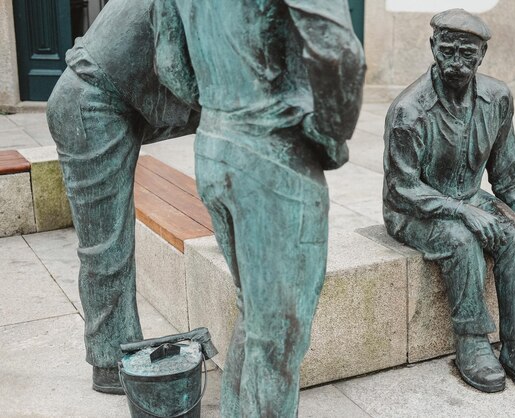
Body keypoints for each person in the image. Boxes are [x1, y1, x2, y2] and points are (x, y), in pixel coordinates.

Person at [153, 0, 366, 416]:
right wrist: (327, 133)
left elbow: (169, 65)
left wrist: (223, 112)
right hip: (273, 159)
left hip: (214, 148)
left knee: (254, 318)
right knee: (277, 341)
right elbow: (338, 52)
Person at [383, 9, 515, 397]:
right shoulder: (408, 111)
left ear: (482, 56)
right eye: (448, 51)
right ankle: (472, 340)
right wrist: (462, 211)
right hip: (412, 209)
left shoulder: (497, 98)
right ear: (433, 47)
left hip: (467, 195)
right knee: (460, 241)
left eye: (468, 55)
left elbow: (506, 170)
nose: (457, 63)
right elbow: (401, 189)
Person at [46, 0, 199, 395]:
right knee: (106, 248)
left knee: (110, 245)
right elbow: (174, 72)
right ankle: (109, 361)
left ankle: (117, 349)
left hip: (120, 101)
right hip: (89, 104)